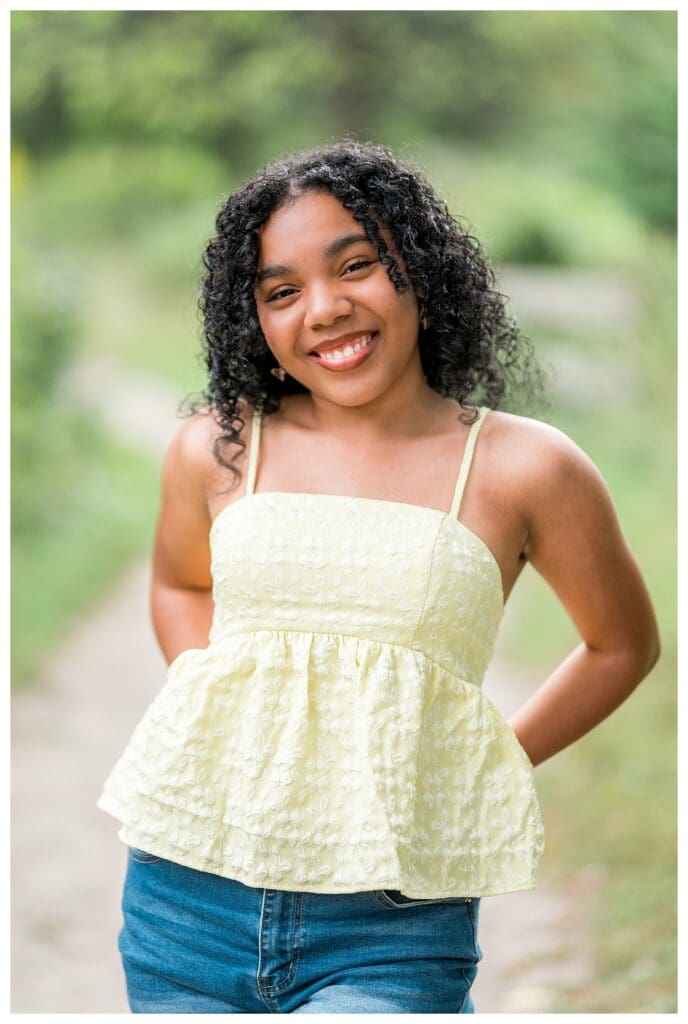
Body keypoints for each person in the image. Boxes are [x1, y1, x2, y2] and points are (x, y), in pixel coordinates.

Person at [97, 139, 660, 1014]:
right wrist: (211, 686)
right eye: (281, 291)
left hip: (391, 919)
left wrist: (485, 757)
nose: (323, 309)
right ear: (255, 319)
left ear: (421, 271)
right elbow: (181, 585)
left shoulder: (525, 467)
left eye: (355, 266)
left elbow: (621, 644)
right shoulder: (221, 446)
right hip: (185, 899)